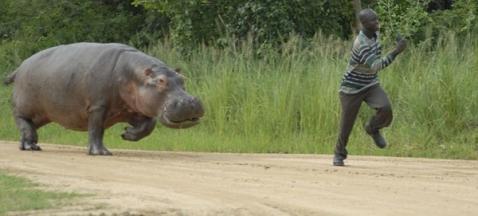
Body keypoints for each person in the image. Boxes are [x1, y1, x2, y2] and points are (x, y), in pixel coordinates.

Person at [333, 8, 407, 166]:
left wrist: (397, 38)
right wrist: (396, 51)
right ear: (365, 24)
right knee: (346, 124)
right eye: (374, 21)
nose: (377, 22)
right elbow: (376, 65)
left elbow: (374, 67)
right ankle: (339, 154)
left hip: (370, 83)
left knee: (386, 108)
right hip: (351, 88)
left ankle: (372, 128)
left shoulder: (375, 33)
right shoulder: (361, 44)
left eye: (377, 19)